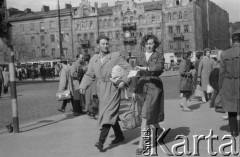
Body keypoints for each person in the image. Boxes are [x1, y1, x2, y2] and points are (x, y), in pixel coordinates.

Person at [79, 35, 132, 152]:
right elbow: (89, 75)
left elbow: (129, 69)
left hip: (113, 89)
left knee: (108, 115)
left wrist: (124, 81)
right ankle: (119, 136)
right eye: (103, 44)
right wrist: (83, 86)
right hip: (101, 90)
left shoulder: (115, 56)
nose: (106, 46)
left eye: (107, 43)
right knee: (111, 114)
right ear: (98, 45)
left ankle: (101, 142)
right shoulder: (94, 59)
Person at [130, 34, 165, 155]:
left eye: (151, 43)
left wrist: (146, 68)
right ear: (144, 44)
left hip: (154, 86)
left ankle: (142, 143)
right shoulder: (139, 56)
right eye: (147, 43)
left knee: (145, 115)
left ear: (155, 44)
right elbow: (135, 74)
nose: (149, 46)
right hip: (141, 87)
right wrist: (134, 90)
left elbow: (159, 67)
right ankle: (157, 128)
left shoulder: (159, 55)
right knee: (144, 113)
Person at [219, 31, 240, 137]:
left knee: (231, 108)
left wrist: (220, 88)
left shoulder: (224, 54)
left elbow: (221, 73)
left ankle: (234, 131)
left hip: (228, 83)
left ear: (232, 41)